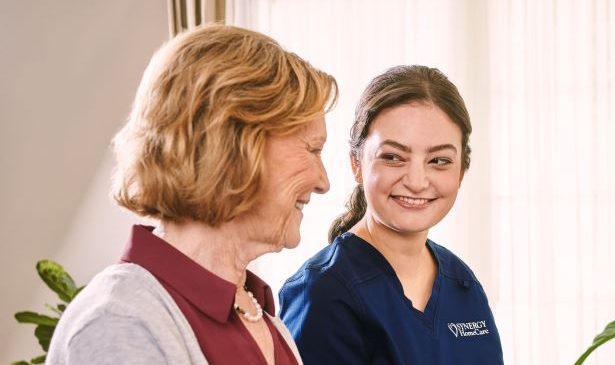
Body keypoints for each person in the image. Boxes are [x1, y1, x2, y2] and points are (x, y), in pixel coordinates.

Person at [47, 24, 337, 365]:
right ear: (235, 144)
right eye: (312, 149)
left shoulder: (260, 315)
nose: (323, 181)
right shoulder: (120, 321)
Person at [279, 65, 503, 364]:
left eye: (439, 160)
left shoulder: (462, 284)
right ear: (356, 163)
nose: (416, 181)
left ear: (462, 171)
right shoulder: (323, 292)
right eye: (393, 157)